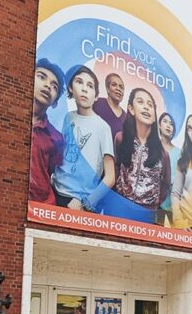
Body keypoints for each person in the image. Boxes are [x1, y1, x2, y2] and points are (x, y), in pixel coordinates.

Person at [52, 65, 115, 212]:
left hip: (78, 202)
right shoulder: (68, 117)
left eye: (90, 85)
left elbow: (110, 177)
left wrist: (86, 203)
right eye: (79, 82)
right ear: (71, 88)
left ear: (96, 95)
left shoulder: (103, 127)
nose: (84, 89)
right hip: (55, 191)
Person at [109, 88, 171, 223]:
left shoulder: (163, 153)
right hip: (121, 208)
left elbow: (165, 184)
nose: (146, 107)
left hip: (147, 214)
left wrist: (153, 204)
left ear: (154, 116)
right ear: (131, 109)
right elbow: (116, 168)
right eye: (141, 102)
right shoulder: (120, 139)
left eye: (150, 105)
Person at [28, 58, 65, 205]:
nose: (48, 85)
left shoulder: (56, 138)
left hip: (43, 206)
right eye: (41, 77)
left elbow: (51, 171)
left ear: (55, 102)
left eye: (54, 86)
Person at [171, 114, 192, 231]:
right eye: (189, 128)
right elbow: (175, 194)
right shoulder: (183, 161)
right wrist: (178, 221)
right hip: (188, 226)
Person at [157, 112, 180, 225]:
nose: (168, 125)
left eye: (171, 124)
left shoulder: (180, 153)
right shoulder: (151, 147)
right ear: (159, 125)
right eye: (165, 122)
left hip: (172, 207)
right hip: (152, 204)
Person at [92, 73, 126, 141]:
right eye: (114, 85)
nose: (118, 89)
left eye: (121, 87)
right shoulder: (96, 103)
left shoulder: (126, 118)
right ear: (107, 89)